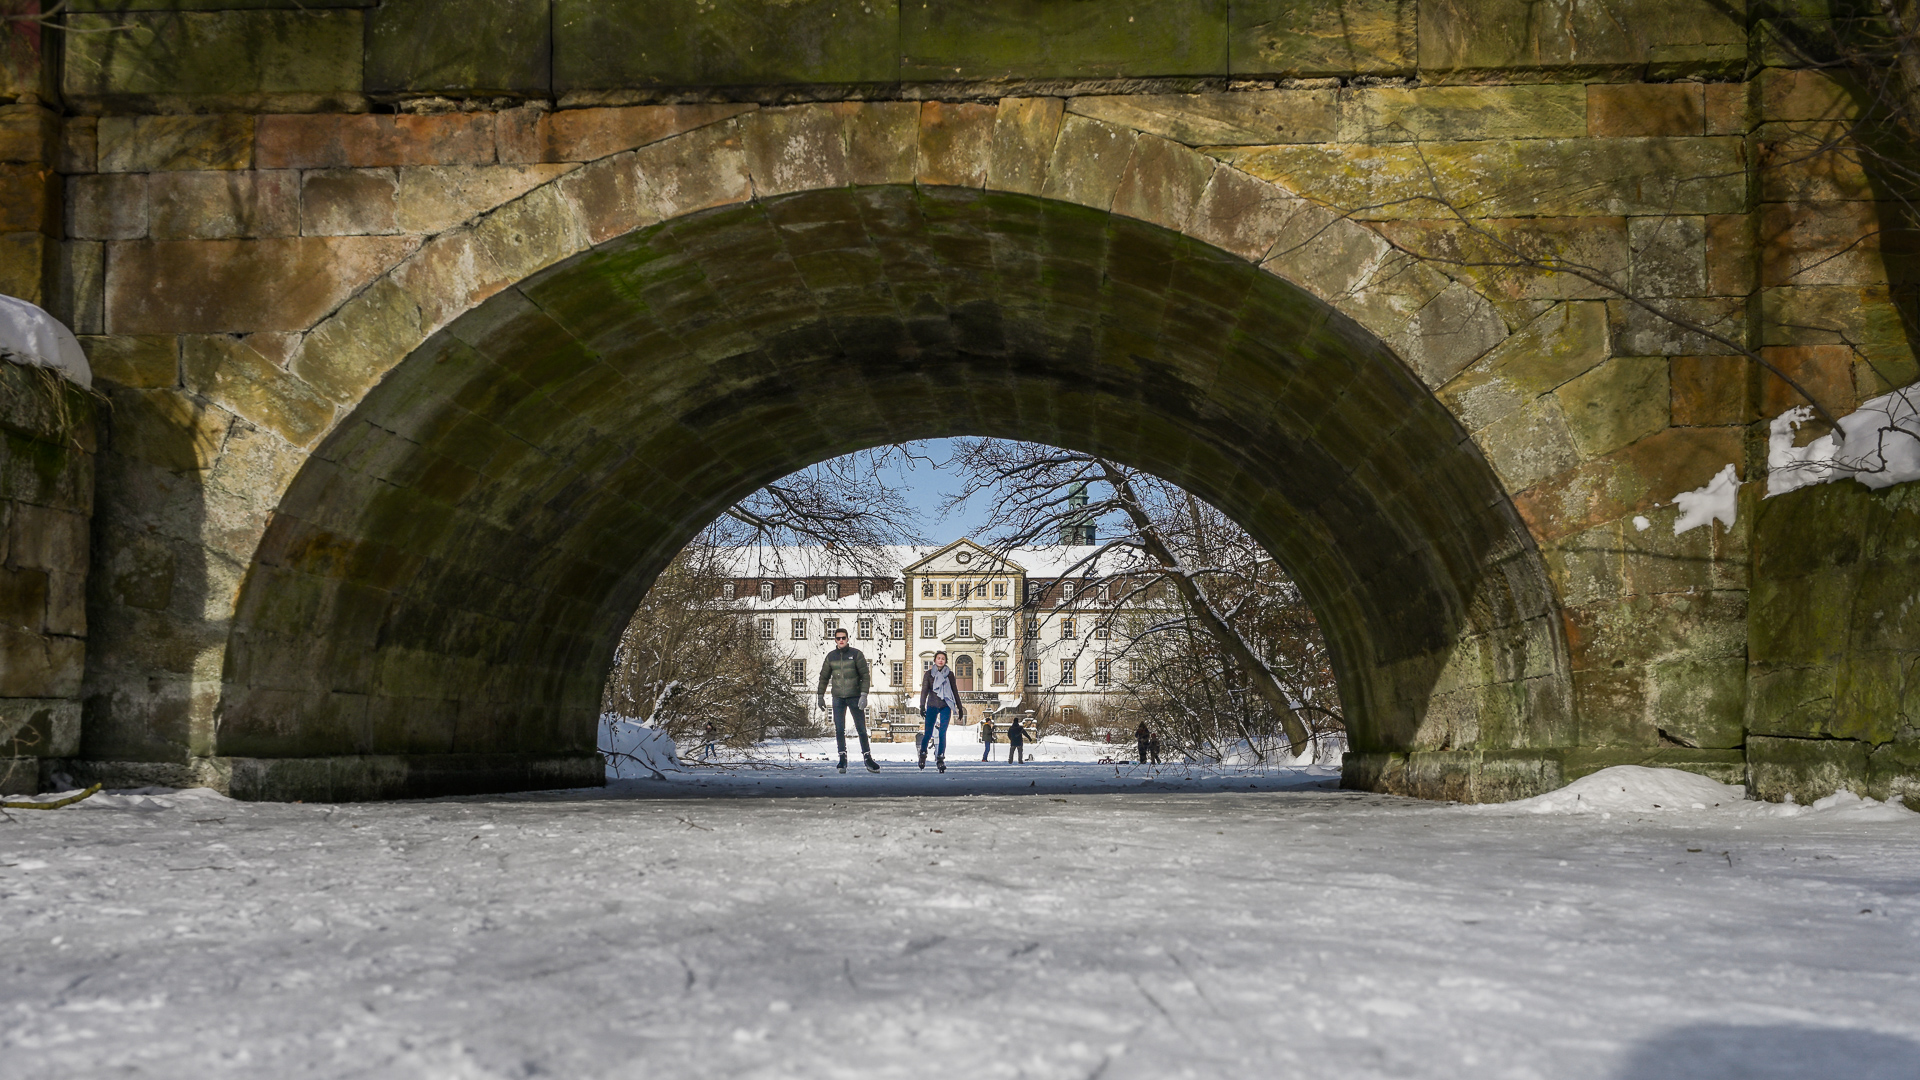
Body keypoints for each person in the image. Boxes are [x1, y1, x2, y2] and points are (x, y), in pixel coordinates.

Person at [815, 627, 877, 773]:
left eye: (843, 638)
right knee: (839, 729)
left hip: (855, 696)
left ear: (848, 639)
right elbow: (824, 677)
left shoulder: (856, 654)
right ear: (835, 640)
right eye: (838, 638)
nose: (841, 640)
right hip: (838, 698)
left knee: (861, 729)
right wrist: (820, 695)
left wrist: (863, 695)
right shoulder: (831, 656)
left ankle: (868, 758)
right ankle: (842, 758)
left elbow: (865, 676)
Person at [918, 651, 964, 773]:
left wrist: (959, 707)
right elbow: (924, 691)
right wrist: (922, 706)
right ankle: (923, 755)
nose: (940, 660)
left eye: (943, 658)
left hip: (945, 705)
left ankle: (940, 758)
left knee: (943, 733)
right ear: (935, 660)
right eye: (938, 658)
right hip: (932, 705)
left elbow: (955, 691)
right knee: (928, 733)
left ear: (945, 661)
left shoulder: (949, 675)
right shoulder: (928, 674)